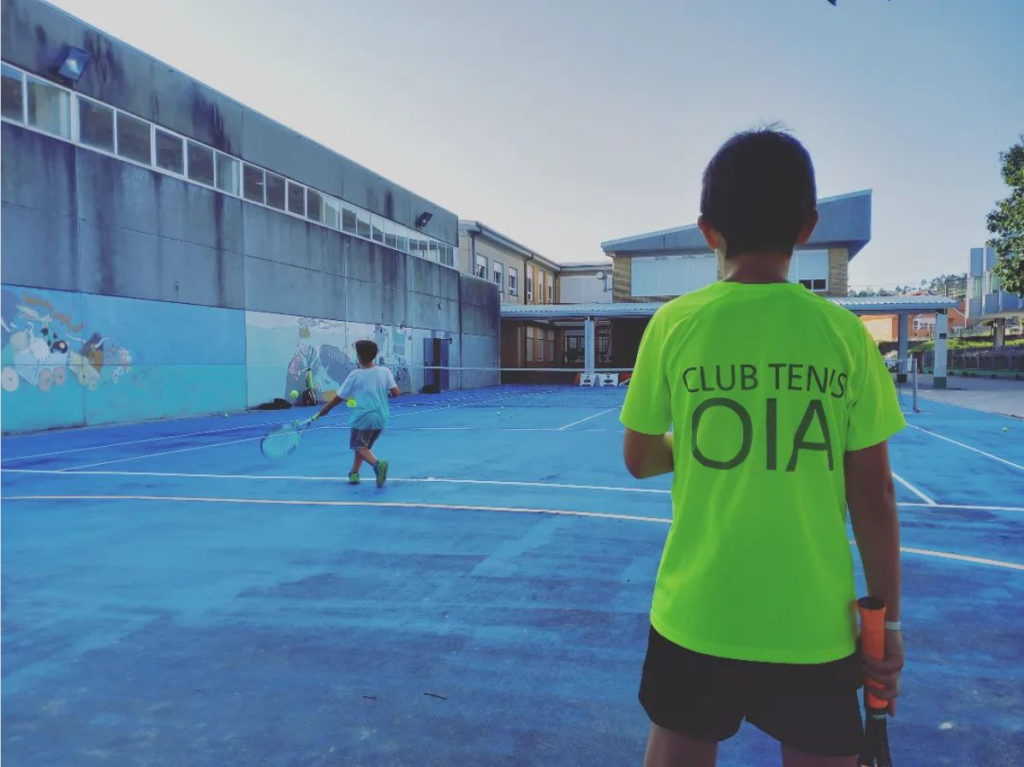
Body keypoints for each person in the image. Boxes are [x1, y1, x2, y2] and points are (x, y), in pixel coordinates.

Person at [620, 127, 906, 767]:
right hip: (814, 628)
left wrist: (696, 438)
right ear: (807, 228)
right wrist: (885, 627)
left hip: (696, 614)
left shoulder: (674, 324)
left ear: (706, 229)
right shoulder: (845, 334)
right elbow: (874, 494)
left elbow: (639, 457)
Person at [315, 339, 399, 487]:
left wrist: (324, 410)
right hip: (381, 418)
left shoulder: (355, 375)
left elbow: (339, 398)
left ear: (359, 356)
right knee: (363, 447)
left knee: (358, 446)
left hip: (363, 418)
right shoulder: (385, 371)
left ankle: (377, 465)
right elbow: (396, 392)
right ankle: (354, 473)